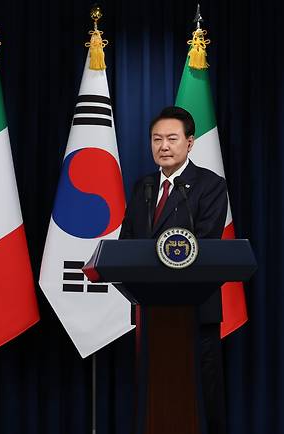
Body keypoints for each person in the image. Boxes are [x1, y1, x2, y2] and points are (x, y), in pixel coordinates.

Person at [120, 106, 227, 434]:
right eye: (156, 139)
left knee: (200, 394)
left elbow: (205, 242)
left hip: (196, 309)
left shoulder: (210, 185)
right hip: (151, 313)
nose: (163, 146)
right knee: (153, 396)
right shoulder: (144, 188)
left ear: (190, 143)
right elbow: (128, 243)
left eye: (171, 138)